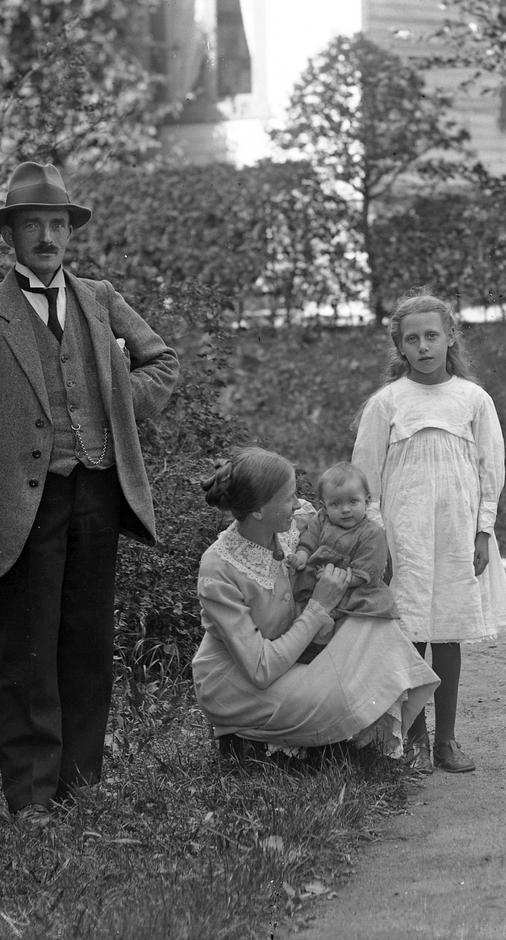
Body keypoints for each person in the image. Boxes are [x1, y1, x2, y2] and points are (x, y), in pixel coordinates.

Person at [0, 161, 179, 825]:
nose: (47, 237)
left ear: (70, 232)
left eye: (57, 224)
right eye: (32, 225)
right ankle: (32, 797)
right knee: (30, 652)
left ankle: (80, 785)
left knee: (87, 645)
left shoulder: (100, 299)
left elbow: (163, 362)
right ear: (10, 235)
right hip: (23, 508)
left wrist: (119, 402)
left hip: (98, 493)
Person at [192, 447, 439, 761]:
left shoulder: (298, 525)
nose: (298, 503)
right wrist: (318, 607)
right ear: (258, 510)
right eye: (289, 498)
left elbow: (354, 530)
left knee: (379, 631)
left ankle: (308, 737)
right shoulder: (219, 570)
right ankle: (244, 733)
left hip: (294, 659)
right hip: (237, 683)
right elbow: (260, 669)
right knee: (339, 695)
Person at [353, 289, 506, 775]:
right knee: (411, 629)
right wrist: (379, 540)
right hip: (405, 535)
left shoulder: (473, 399)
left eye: (432, 336)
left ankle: (447, 740)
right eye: (412, 339)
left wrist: (483, 532)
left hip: (457, 531)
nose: (423, 347)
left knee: (448, 631)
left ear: (450, 338)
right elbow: (366, 477)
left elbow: (491, 470)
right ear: (400, 346)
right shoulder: (387, 403)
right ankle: (415, 739)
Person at [287, 461, 399, 656]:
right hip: (316, 584)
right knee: (301, 607)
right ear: (324, 506)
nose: (345, 509)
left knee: (353, 626)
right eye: (336, 504)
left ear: (367, 501)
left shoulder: (372, 533)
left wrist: (337, 579)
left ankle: (340, 649)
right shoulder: (321, 519)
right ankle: (312, 646)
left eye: (353, 502)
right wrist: (301, 556)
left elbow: (368, 570)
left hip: (353, 587)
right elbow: (309, 540)